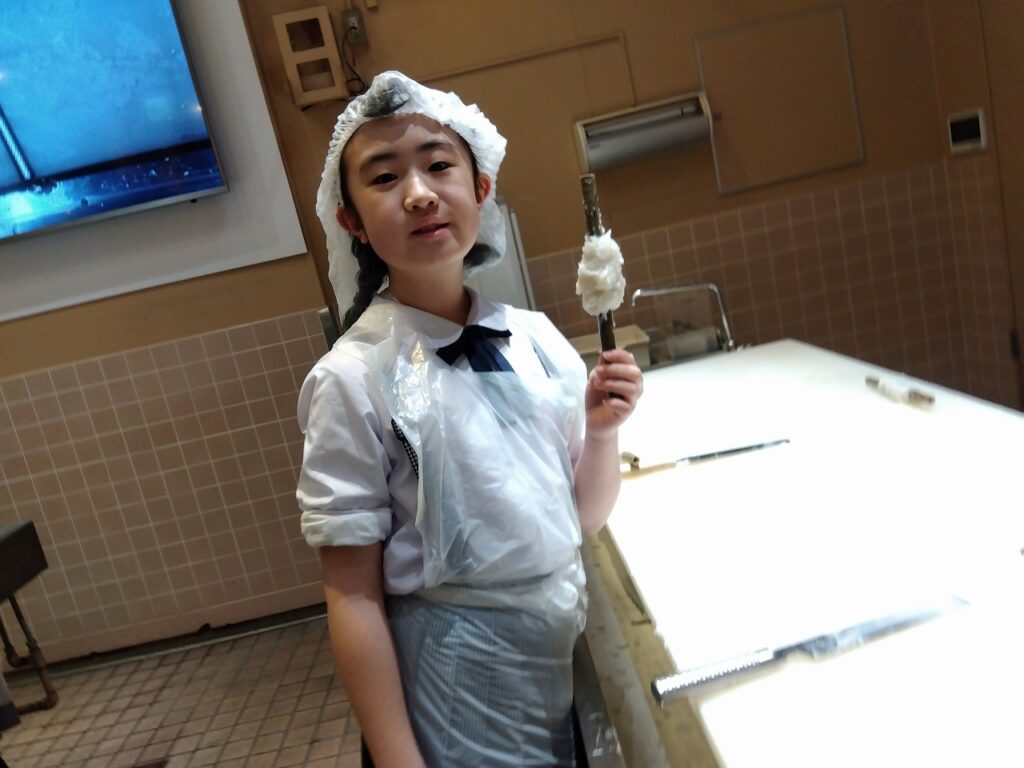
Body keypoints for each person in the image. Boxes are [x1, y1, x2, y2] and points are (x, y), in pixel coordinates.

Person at [296, 71, 643, 768]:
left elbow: (581, 519)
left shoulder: (536, 340)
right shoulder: (351, 379)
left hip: (554, 667)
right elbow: (352, 596)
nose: (419, 193)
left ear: (481, 187)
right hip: (452, 688)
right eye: (385, 177)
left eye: (438, 165)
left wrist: (603, 431)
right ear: (352, 221)